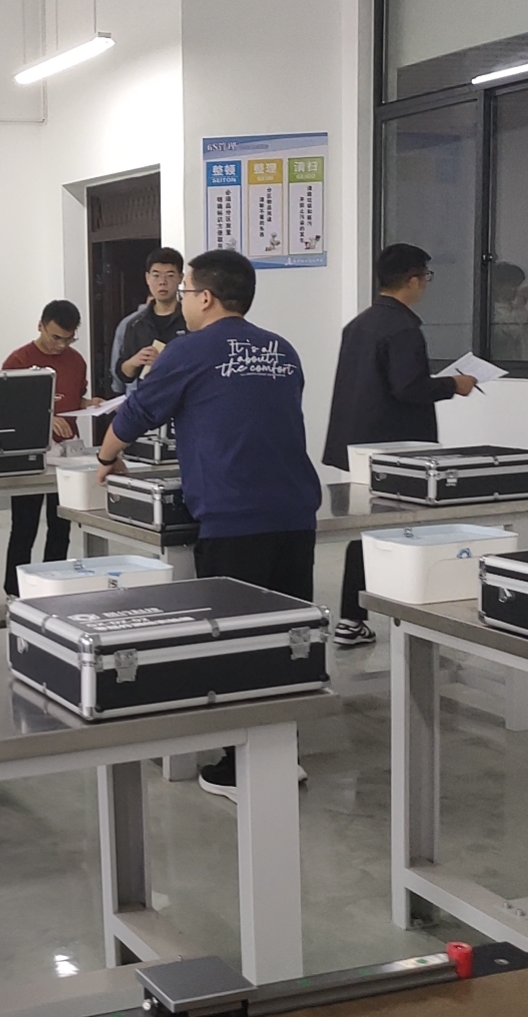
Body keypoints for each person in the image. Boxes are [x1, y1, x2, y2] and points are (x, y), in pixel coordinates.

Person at [94, 250, 321, 800]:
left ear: (205, 297)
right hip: (294, 512)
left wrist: (105, 457)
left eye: (186, 289)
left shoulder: (189, 350)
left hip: (232, 514)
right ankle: (282, 752)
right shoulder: (281, 349)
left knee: (235, 642)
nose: (182, 300)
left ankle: (242, 767)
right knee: (288, 638)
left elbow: (136, 412)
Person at [321, 244, 477, 649]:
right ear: (412, 280)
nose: (425, 284)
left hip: (360, 446)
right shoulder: (403, 328)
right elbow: (408, 388)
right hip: (398, 450)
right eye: (425, 277)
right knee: (411, 532)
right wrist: (453, 384)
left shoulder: (359, 324)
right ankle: (417, 621)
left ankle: (351, 619)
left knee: (367, 530)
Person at [2, 300, 93, 596]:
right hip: (29, 455)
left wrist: (91, 405)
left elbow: (74, 398)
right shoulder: (18, 361)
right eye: (55, 337)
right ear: (40, 326)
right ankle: (15, 593)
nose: (61, 345)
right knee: (24, 527)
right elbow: (7, 410)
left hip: (67, 456)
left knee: (61, 525)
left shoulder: (76, 360)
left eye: (69, 339)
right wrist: (46, 418)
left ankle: (52, 589)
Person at [109, 247, 188, 395]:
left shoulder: (191, 320)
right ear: (147, 278)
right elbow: (123, 374)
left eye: (170, 275)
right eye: (156, 275)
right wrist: (135, 361)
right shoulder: (133, 324)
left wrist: (164, 362)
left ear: (180, 278)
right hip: (146, 401)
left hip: (184, 399)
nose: (162, 282)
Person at [488, 261, 528, 363]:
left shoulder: (520, 310)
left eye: (517, 285)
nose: (516, 290)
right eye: (512, 285)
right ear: (497, 286)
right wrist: (521, 302)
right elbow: (510, 331)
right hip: (508, 365)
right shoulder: (491, 312)